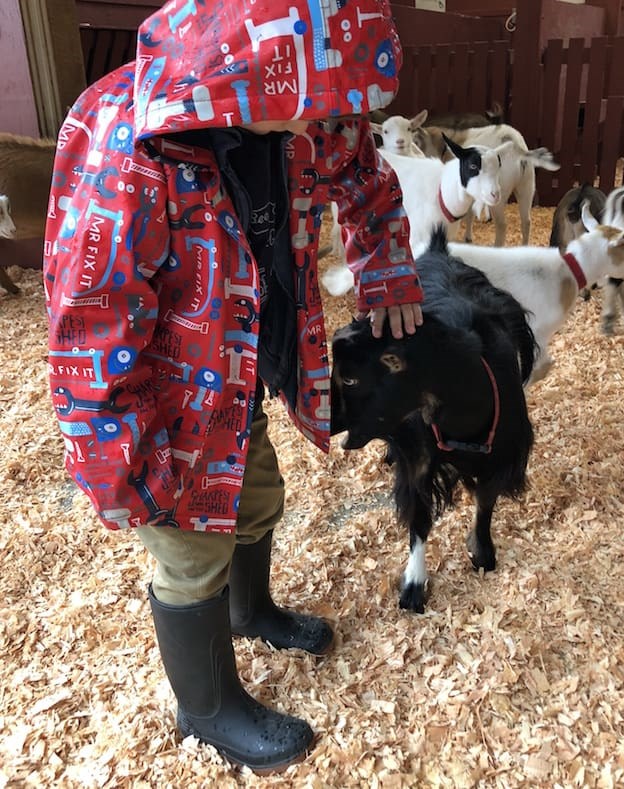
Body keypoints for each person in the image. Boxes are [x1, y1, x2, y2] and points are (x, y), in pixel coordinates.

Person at [43, 0, 423, 772]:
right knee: (188, 554)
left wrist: (384, 268)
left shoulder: (302, 110)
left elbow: (364, 172)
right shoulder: (137, 150)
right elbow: (91, 318)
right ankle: (207, 706)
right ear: (257, 72)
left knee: (256, 495)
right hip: (164, 406)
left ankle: (251, 610)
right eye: (325, 101)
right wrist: (122, 464)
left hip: (236, 374)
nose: (336, 118)